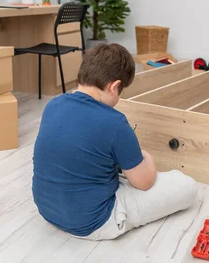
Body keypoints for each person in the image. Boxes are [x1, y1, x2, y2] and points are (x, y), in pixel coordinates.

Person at [32, 43, 198, 240]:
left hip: (48, 210)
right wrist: (148, 159)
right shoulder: (114, 121)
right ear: (114, 87)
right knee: (186, 185)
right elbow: (144, 183)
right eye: (121, 92)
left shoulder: (53, 104)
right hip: (92, 222)